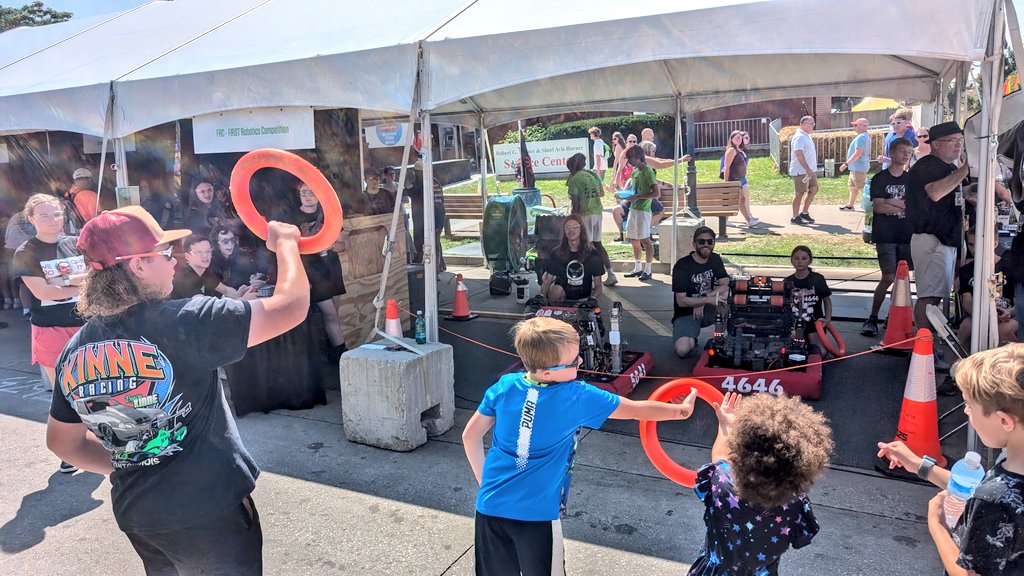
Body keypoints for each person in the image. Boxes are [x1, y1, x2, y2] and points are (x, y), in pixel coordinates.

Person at [46, 206, 309, 574]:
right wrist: (287, 245)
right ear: (137, 265)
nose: (174, 263)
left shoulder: (75, 350)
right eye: (165, 254)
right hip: (209, 511)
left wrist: (135, 462)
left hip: (138, 513)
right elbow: (292, 306)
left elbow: (63, 442)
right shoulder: (187, 320)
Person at [462, 316, 699, 576]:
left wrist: (483, 480)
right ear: (548, 372)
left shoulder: (504, 386)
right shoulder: (576, 396)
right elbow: (634, 410)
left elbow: (470, 436)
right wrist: (681, 412)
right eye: (574, 361)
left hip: (489, 509)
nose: (581, 362)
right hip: (537, 517)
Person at [877, 345, 1024, 576]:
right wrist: (918, 465)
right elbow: (973, 487)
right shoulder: (1012, 468)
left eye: (970, 405)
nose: (966, 411)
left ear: (1005, 421)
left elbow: (967, 574)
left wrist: (937, 526)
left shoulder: (993, 503)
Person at [688, 392, 832, 575]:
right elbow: (800, 537)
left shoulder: (721, 483)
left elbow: (720, 458)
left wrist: (726, 425)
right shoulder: (796, 505)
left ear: (742, 448)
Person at [14, 194, 87, 474]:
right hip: (49, 328)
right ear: (31, 219)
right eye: (44, 215)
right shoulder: (25, 252)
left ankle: (95, 441)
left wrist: (61, 282)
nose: (52, 220)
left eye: (56, 214)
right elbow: (42, 292)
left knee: (91, 386)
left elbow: (90, 277)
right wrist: (73, 285)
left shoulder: (73, 243)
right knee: (64, 391)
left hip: (83, 324)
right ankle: (68, 450)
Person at [907, 121, 968, 371]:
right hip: (932, 240)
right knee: (929, 298)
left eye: (960, 142)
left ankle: (928, 347)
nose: (958, 146)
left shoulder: (945, 167)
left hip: (944, 240)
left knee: (936, 296)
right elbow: (935, 193)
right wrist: (965, 171)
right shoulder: (928, 166)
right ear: (936, 144)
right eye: (953, 142)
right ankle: (925, 348)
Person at [862, 138, 914, 337]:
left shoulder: (911, 180)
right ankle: (873, 317)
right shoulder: (880, 178)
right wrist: (901, 204)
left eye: (909, 151)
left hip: (906, 235)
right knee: (888, 276)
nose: (906, 155)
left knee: (903, 279)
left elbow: (912, 206)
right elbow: (879, 206)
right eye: (902, 151)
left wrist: (893, 203)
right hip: (885, 235)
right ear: (892, 153)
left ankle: (894, 316)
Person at [294, 182, 349, 362]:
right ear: (299, 195)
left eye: (312, 192)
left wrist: (328, 244)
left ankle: (332, 353)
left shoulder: (328, 213)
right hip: (313, 272)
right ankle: (342, 356)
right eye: (304, 192)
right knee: (330, 314)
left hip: (332, 268)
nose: (308, 196)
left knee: (335, 314)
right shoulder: (293, 218)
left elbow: (343, 246)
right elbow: (292, 251)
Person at [955, 227, 1018, 349]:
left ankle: (1010, 365)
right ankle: (959, 363)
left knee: (1003, 329)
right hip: (978, 314)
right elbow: (966, 300)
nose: (975, 249)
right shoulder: (967, 270)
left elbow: (1018, 302)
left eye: (980, 244)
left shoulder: (1009, 267)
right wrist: (983, 314)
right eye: (971, 244)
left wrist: (1009, 312)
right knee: (966, 327)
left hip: (1007, 315)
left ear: (995, 243)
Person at [671, 226, 728, 357]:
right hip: (687, 312)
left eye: (710, 241)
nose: (706, 245)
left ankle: (725, 336)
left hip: (709, 307)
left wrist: (704, 299)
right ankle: (690, 336)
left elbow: (725, 284)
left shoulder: (715, 259)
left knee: (727, 295)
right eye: (701, 241)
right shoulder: (682, 266)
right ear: (694, 244)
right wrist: (706, 300)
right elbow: (681, 301)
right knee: (683, 350)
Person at [565, 153, 617, 286]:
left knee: (585, 246)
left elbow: (575, 205)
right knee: (598, 244)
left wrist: (571, 219)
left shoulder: (574, 179)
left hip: (585, 214)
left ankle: (591, 278)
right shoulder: (592, 175)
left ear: (572, 167)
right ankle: (611, 274)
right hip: (597, 212)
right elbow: (601, 193)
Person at [540, 214, 604, 303]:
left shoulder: (592, 254)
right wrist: (542, 298)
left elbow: (598, 286)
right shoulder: (556, 253)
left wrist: (591, 299)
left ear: (581, 229)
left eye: (575, 227)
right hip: (562, 296)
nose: (571, 230)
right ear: (564, 231)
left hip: (583, 299)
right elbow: (547, 280)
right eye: (568, 227)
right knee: (555, 290)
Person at [170, 234, 256, 300]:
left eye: (208, 251)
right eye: (199, 252)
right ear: (187, 256)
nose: (205, 256)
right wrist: (242, 300)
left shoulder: (205, 273)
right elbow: (204, 306)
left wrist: (238, 294)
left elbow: (225, 290)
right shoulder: (185, 277)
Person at [786, 246, 833, 352]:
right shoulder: (787, 281)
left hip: (814, 323)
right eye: (796, 258)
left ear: (810, 260)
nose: (800, 261)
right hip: (794, 324)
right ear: (791, 260)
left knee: (820, 352)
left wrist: (827, 319)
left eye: (804, 258)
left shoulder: (817, 279)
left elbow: (827, 300)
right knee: (789, 350)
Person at [622, 146, 658, 280]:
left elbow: (656, 193)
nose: (629, 162)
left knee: (645, 240)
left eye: (631, 159)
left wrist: (638, 196)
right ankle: (638, 267)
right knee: (633, 238)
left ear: (638, 157)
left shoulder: (648, 172)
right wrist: (625, 195)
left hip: (643, 210)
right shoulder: (635, 171)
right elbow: (634, 190)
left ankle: (648, 269)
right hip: (634, 208)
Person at [722, 130, 759, 226]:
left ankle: (725, 221)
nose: (739, 139)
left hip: (740, 178)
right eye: (736, 138)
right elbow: (727, 167)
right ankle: (749, 221)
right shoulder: (731, 150)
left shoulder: (738, 149)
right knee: (740, 200)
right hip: (734, 179)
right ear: (732, 139)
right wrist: (726, 182)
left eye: (740, 137)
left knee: (737, 200)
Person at [789, 116, 818, 225]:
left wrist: (811, 170)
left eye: (813, 123)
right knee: (800, 192)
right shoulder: (799, 137)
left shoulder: (806, 136)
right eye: (810, 123)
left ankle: (804, 212)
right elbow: (799, 154)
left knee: (814, 189)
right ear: (802, 124)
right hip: (800, 171)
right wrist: (807, 169)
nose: (812, 125)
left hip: (810, 171)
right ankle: (795, 217)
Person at [839, 117, 872, 211]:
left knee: (862, 188)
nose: (854, 127)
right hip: (856, 167)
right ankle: (850, 205)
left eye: (855, 125)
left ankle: (874, 207)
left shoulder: (861, 137)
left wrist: (846, 164)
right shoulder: (864, 136)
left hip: (858, 167)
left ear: (861, 126)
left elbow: (858, 153)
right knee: (853, 187)